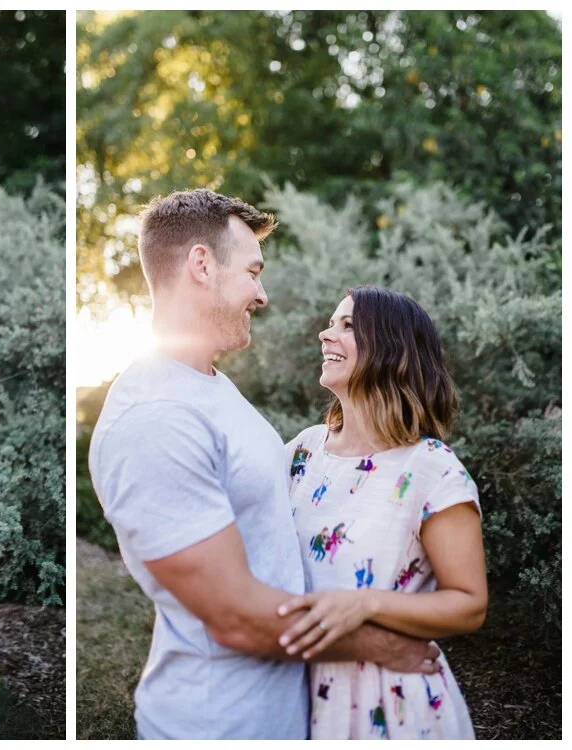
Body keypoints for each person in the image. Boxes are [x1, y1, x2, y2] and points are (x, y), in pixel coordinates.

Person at [88, 190, 441, 740]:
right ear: (202, 265)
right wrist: (380, 646)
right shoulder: (155, 417)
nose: (263, 294)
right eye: (253, 271)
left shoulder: (209, 388)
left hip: (285, 714)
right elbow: (234, 616)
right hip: (218, 723)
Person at [277, 286, 484, 739]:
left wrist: (365, 602)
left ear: (393, 348)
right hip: (294, 691)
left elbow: (469, 605)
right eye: (332, 323)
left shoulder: (431, 469)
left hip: (391, 703)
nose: (325, 334)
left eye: (347, 325)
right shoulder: (304, 451)